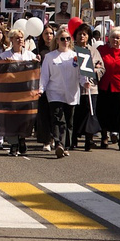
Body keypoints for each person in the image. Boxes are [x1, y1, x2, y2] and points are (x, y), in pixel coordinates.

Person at [36, 29, 84, 159]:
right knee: (58, 119)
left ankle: (66, 146)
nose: (65, 41)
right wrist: (41, 89)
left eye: (68, 38)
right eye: (62, 39)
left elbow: (82, 74)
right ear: (57, 40)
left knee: (69, 121)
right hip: (55, 92)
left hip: (72, 93)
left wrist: (86, 82)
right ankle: (59, 144)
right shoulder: (50, 57)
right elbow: (45, 75)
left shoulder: (76, 56)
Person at [96, 27, 120, 151]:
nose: (115, 40)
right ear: (109, 38)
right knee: (104, 112)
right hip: (105, 86)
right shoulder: (102, 50)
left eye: (118, 38)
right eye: (113, 37)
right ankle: (104, 137)